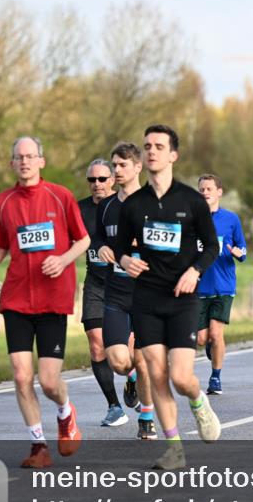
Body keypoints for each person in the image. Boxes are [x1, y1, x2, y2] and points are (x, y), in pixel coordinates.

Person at [114, 124, 222, 470]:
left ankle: (198, 400)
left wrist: (194, 272)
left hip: (182, 299)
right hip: (146, 298)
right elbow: (118, 247)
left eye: (159, 146)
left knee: (180, 377)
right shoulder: (134, 204)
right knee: (157, 375)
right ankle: (174, 447)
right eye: (147, 146)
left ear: (173, 155)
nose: (152, 151)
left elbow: (212, 247)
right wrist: (125, 259)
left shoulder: (191, 200)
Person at [0, 136, 90, 468]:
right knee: (19, 375)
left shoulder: (61, 197)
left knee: (47, 380)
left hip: (53, 298)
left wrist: (62, 259)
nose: (26, 161)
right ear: (12, 163)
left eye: (31, 156)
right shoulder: (2, 202)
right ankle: (38, 445)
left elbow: (83, 239)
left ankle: (64, 411)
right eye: (19, 157)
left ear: (41, 161)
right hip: (16, 297)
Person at [96, 142, 155, 438]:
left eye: (121, 165)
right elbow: (96, 238)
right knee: (119, 361)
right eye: (113, 165)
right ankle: (130, 378)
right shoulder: (106, 205)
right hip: (116, 294)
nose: (115, 171)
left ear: (137, 167)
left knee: (145, 360)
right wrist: (104, 247)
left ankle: (146, 418)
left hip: (147, 294)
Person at [78, 158, 125, 426]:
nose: (97, 184)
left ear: (113, 179)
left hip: (123, 283)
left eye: (102, 179)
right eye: (91, 180)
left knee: (125, 357)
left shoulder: (124, 207)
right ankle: (114, 406)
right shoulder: (79, 209)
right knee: (97, 344)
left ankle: (132, 378)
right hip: (95, 283)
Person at [196, 174, 248, 395]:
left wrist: (238, 253)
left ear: (219, 192)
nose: (205, 192)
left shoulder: (231, 219)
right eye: (201, 190)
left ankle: (215, 377)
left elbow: (243, 249)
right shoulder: (192, 220)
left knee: (216, 334)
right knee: (201, 338)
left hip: (223, 285)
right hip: (198, 286)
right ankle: (210, 345)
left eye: (209, 188)